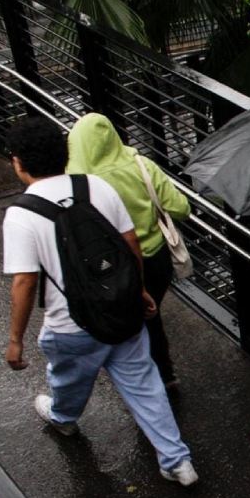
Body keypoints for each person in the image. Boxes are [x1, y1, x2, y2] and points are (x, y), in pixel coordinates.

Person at [2, 117, 197, 485]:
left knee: (68, 380)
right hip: (122, 310)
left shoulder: (21, 215)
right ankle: (177, 461)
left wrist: (15, 339)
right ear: (64, 153)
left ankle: (62, 418)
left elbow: (25, 282)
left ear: (18, 162)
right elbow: (131, 244)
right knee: (144, 384)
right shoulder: (97, 187)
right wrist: (137, 292)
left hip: (70, 324)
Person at [66, 112, 191, 392]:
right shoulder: (141, 165)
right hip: (157, 260)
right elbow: (181, 208)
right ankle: (165, 374)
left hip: (111, 266)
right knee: (151, 313)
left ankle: (145, 382)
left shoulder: (76, 181)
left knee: (129, 319)